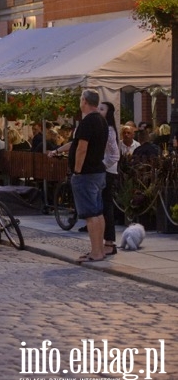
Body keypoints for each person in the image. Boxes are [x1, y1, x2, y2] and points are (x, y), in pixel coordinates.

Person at [68, 90, 109, 263]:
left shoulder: (87, 122)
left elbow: (82, 148)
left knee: (91, 215)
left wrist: (77, 170)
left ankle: (96, 252)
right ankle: (99, 249)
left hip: (87, 173)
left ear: (84, 101)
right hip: (98, 171)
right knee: (98, 213)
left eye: (80, 99)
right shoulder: (102, 120)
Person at [99, 101, 120, 257]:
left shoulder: (109, 130)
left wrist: (102, 165)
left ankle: (110, 242)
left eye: (102, 109)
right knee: (102, 207)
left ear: (108, 113)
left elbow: (115, 154)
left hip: (108, 172)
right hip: (104, 170)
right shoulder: (103, 128)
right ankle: (104, 241)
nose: (99, 111)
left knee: (107, 207)